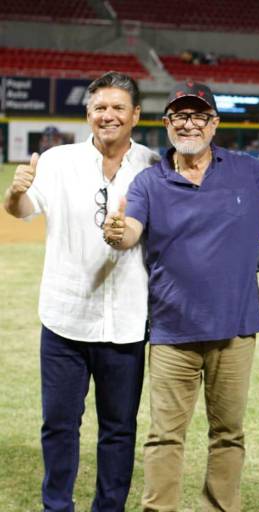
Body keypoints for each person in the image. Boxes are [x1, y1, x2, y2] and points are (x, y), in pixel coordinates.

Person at [102, 81, 259, 511]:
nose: (189, 124)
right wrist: (117, 232)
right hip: (172, 328)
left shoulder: (250, 172)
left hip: (235, 329)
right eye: (180, 116)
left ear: (214, 123)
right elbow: (130, 231)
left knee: (228, 433)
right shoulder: (150, 181)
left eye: (198, 115)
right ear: (167, 123)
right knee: (164, 434)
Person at [3, 71, 157, 512]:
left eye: (118, 108)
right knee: (59, 425)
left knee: (118, 428)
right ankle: (57, 506)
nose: (108, 115)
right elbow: (23, 210)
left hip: (126, 321)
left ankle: (108, 507)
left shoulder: (152, 165)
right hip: (65, 318)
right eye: (100, 108)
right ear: (88, 114)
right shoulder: (57, 161)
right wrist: (14, 194)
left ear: (135, 115)